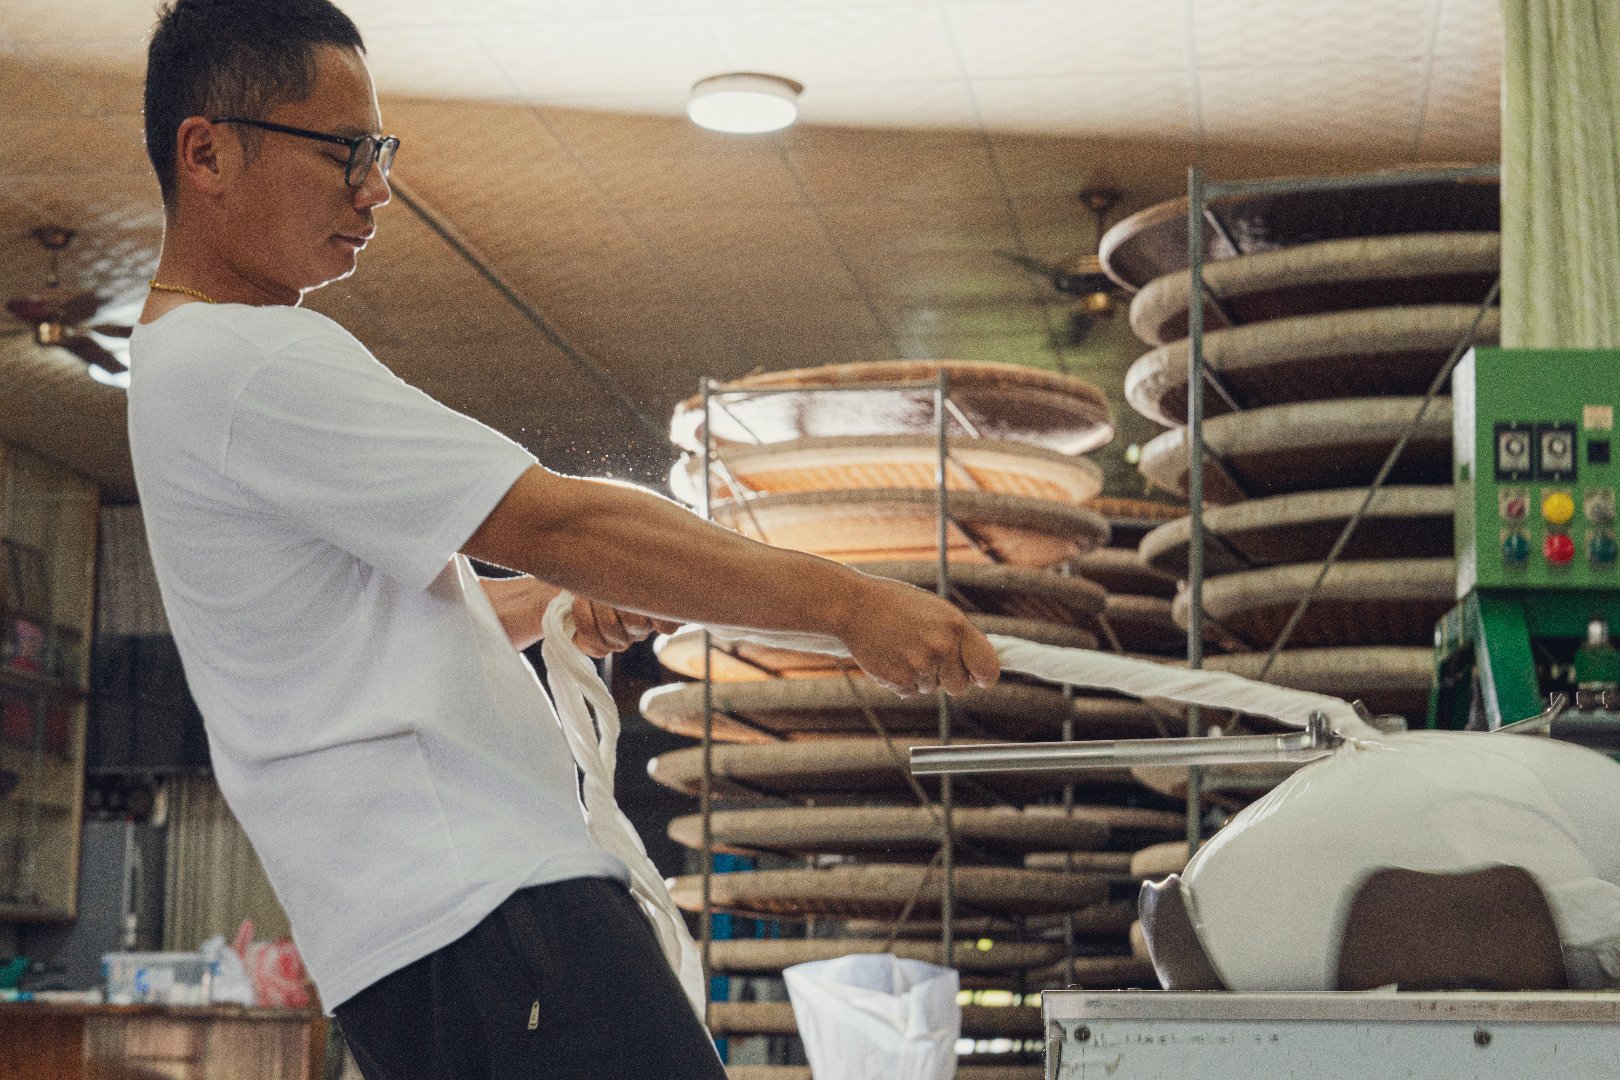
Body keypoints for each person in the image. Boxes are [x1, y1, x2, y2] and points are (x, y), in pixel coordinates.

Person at [128, 3, 1000, 1078]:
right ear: (207, 152)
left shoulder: (187, 369)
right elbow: (561, 522)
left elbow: (365, 639)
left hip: (436, 930)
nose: (375, 190)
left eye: (378, 152)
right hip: (481, 911)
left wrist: (544, 605)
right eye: (344, 152)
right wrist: (848, 604)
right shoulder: (244, 361)